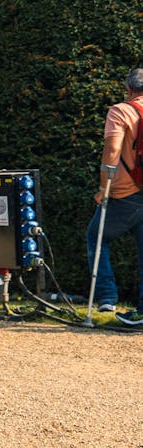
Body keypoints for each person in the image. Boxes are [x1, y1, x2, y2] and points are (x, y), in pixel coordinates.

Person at [86, 67, 143, 327]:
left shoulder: (120, 111)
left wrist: (103, 188)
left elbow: (112, 149)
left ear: (129, 89)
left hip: (126, 191)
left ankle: (107, 298)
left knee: (96, 236)